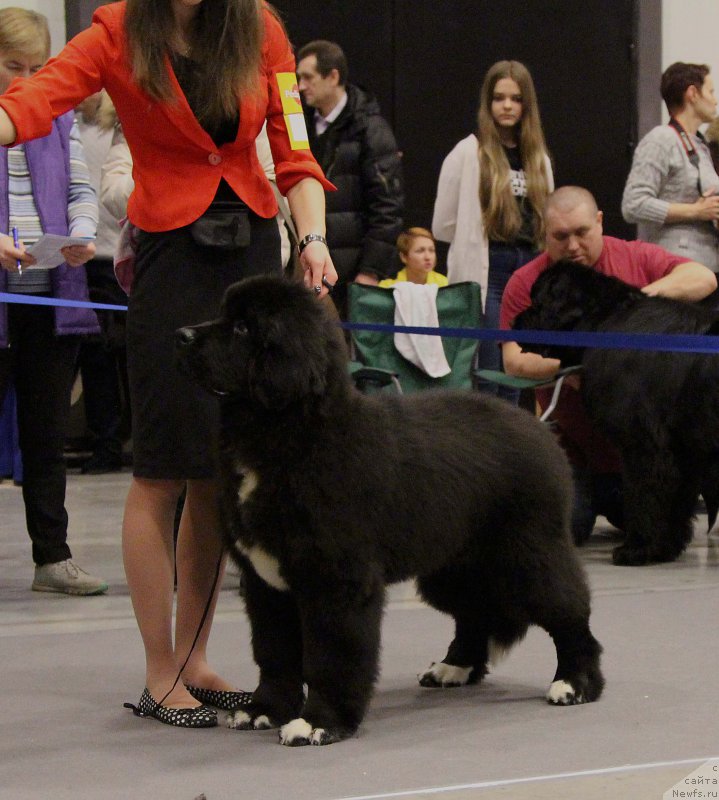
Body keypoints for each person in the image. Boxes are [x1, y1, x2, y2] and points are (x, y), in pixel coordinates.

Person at [0, 0, 336, 728]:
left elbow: (293, 145)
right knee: (161, 468)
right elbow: (38, 97)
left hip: (247, 244)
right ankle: (160, 671)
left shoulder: (259, 26)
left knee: (217, 469)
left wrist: (310, 238)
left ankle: (196, 656)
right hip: (170, 254)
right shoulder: (116, 31)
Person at [500, 186, 718, 543]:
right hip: (575, 452)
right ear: (544, 233)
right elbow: (513, 360)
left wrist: (629, 308)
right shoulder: (526, 282)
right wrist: (593, 368)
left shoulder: (636, 257)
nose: (572, 246)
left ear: (600, 222)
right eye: (560, 236)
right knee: (566, 528)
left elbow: (703, 278)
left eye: (582, 233)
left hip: (642, 451)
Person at [0, 8, 108, 596]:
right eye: (13, 66)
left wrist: (83, 233)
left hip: (47, 300)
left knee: (47, 436)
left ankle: (53, 557)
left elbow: (79, 187)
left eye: (37, 68)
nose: (25, 79)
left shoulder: (58, 114)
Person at [432, 60, 553, 400]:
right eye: (499, 98)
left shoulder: (538, 158)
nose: (507, 106)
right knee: (488, 370)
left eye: (516, 99)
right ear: (488, 103)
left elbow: (548, 220)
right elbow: (443, 224)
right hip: (491, 272)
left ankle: (514, 445)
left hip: (528, 268)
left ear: (526, 104)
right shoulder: (468, 152)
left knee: (516, 371)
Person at [296, 39, 404, 313]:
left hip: (353, 276)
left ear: (333, 76)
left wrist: (371, 270)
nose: (300, 86)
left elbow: (387, 206)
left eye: (308, 77)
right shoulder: (299, 126)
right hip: (309, 265)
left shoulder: (371, 129)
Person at [622, 62, 719, 272]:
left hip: (706, 264)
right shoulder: (661, 139)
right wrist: (695, 211)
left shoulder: (700, 145)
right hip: (677, 266)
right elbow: (633, 204)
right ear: (692, 93)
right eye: (711, 92)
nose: (715, 101)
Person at [75, 90, 127, 474]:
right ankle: (106, 444)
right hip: (91, 259)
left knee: (126, 357)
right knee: (97, 359)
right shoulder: (78, 127)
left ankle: (125, 442)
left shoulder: (119, 125)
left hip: (119, 257)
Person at [378, 227, 448, 288]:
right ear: (404, 257)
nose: (428, 257)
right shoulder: (388, 287)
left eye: (431, 250)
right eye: (420, 251)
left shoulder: (445, 285)